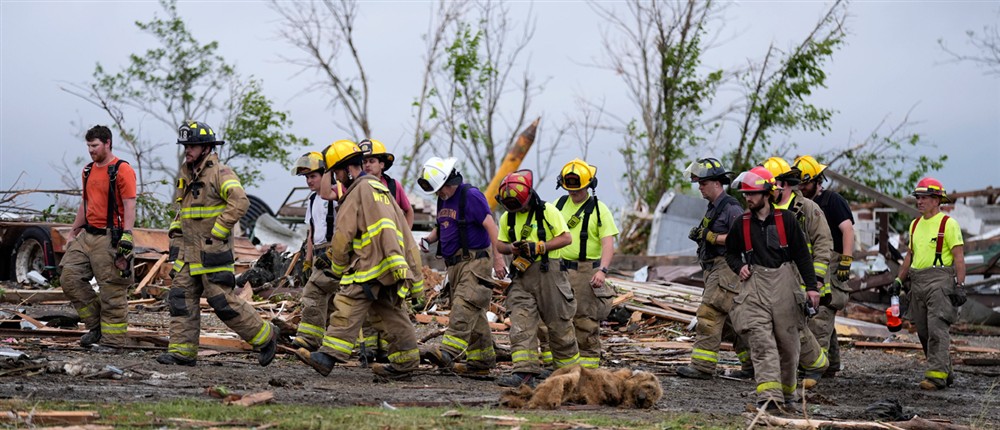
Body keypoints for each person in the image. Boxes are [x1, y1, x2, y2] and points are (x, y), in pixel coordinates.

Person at [296, 139, 425, 380]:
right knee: (390, 312)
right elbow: (405, 232)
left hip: (367, 266)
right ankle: (407, 361)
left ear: (346, 169)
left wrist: (337, 266)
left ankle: (327, 357)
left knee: (346, 304)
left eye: (336, 172)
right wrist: (412, 272)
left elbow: (343, 235)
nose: (337, 177)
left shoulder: (357, 192)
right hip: (389, 265)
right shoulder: (381, 189)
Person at [158, 121, 278, 367]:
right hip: (188, 252)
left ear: (206, 147)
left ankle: (266, 336)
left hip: (211, 251)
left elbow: (240, 201)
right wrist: (175, 225)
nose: (187, 150)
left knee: (221, 302)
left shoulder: (220, 173)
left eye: (192, 146)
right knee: (180, 297)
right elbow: (182, 206)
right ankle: (182, 352)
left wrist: (219, 230)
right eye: (185, 146)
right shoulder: (187, 174)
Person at [725, 166, 819, 412]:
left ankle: (788, 396)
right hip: (754, 288)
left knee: (788, 347)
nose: (748, 198)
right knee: (761, 343)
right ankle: (769, 398)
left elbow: (802, 255)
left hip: (785, 287)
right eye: (745, 194)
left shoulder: (786, 220)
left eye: (753, 193)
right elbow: (731, 252)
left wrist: (812, 288)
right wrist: (739, 267)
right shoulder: (741, 223)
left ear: (767, 192)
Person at [417, 157, 507, 376]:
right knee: (474, 313)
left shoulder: (471, 196)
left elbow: (491, 227)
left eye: (441, 189)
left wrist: (499, 259)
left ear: (450, 181)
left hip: (475, 262)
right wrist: (429, 239)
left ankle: (447, 352)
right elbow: (443, 225)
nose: (439, 194)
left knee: (464, 305)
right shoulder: (444, 200)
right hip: (455, 266)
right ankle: (481, 361)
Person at [494, 170, 579, 387]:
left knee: (558, 324)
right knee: (521, 323)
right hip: (521, 276)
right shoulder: (508, 217)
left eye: (521, 206)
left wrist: (540, 246)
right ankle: (524, 373)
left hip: (549, 273)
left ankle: (571, 374)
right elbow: (500, 244)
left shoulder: (548, 211)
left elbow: (566, 238)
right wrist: (511, 248)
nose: (519, 210)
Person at [60, 125, 137, 349]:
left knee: (112, 289)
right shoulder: (87, 170)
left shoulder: (122, 170)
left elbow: (129, 204)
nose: (91, 150)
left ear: (107, 143)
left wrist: (127, 235)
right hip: (88, 235)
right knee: (69, 278)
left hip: (110, 237)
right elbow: (85, 204)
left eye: (94, 146)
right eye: (88, 146)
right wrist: (74, 231)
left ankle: (112, 342)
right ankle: (96, 326)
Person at [762, 157, 832, 388]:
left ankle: (817, 363)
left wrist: (817, 281)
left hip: (804, 279)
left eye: (772, 184)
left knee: (795, 326)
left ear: (785, 183)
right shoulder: (765, 210)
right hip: (774, 279)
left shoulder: (808, 209)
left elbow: (823, 243)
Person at [674, 158, 747, 380]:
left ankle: (702, 367)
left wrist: (712, 237)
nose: (700, 188)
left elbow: (742, 238)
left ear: (717, 183)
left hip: (725, 268)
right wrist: (701, 235)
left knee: (709, 314)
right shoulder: (714, 208)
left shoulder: (732, 208)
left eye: (703, 183)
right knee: (733, 323)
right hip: (714, 268)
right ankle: (753, 364)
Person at [893, 177, 965, 390]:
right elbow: (910, 255)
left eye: (924, 197)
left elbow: (959, 257)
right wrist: (899, 279)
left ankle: (936, 377)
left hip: (939, 282)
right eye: (918, 197)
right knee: (923, 331)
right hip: (918, 282)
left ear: (936, 199)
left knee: (937, 328)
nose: (919, 201)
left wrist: (960, 285)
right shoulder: (915, 225)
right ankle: (944, 370)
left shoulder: (948, 224)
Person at [552, 159, 619, 369]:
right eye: (570, 190)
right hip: (559, 268)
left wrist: (602, 271)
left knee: (584, 320)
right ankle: (561, 364)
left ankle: (588, 368)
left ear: (589, 186)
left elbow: (608, 243)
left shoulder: (600, 210)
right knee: (557, 317)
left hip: (585, 271)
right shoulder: (558, 205)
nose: (574, 194)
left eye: (578, 190)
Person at [794, 155, 856, 377]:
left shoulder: (832, 200)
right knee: (820, 314)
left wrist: (846, 260)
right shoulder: (802, 205)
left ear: (817, 180)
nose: (801, 187)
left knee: (821, 314)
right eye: (798, 183)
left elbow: (847, 230)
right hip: (815, 263)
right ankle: (831, 363)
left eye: (805, 183)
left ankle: (815, 368)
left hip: (832, 261)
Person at [289, 152, 341, 352]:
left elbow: (346, 227)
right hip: (319, 253)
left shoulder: (337, 195)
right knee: (328, 299)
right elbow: (311, 233)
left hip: (336, 252)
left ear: (326, 175)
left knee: (315, 293)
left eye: (313, 176)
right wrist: (307, 261)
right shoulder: (312, 200)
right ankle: (326, 339)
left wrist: (335, 251)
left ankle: (309, 338)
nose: (309, 181)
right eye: (306, 177)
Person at [359, 139, 414, 228]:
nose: (367, 165)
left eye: (372, 161)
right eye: (364, 162)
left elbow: (409, 211)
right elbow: (328, 194)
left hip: (391, 240)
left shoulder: (393, 186)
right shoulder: (356, 186)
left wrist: (406, 237)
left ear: (382, 164)